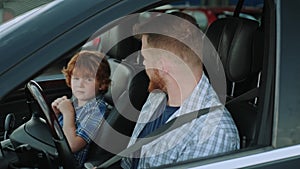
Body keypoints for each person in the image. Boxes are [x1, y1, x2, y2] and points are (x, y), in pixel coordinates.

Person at [121, 12, 240, 169]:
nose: (143, 65)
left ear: (162, 66)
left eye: (145, 58)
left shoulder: (212, 131)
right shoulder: (156, 98)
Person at [51, 50, 111, 167]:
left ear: (102, 84)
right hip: (54, 151)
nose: (80, 84)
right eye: (76, 78)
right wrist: (56, 114)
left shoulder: (96, 110)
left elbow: (73, 145)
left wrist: (68, 113)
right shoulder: (75, 102)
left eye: (88, 79)